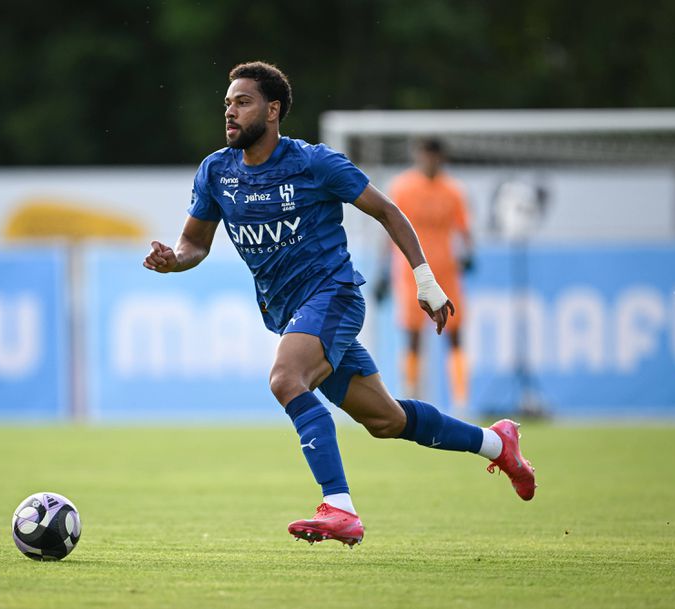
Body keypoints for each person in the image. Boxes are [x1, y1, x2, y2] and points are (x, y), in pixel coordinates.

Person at [143, 61, 535, 547]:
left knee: (286, 378)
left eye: (242, 102)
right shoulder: (216, 172)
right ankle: (498, 443)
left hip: (333, 296)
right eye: (227, 103)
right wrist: (173, 260)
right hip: (292, 312)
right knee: (385, 420)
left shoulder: (314, 163)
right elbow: (194, 244)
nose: (230, 111)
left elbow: (387, 210)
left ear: (273, 109)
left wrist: (425, 278)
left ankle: (339, 507)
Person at [385, 138, 474, 411]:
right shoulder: (402, 187)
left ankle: (461, 400)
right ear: (418, 156)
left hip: (446, 272)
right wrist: (381, 268)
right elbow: (388, 226)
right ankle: (410, 394)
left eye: (435, 156)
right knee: (412, 335)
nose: (430, 161)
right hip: (410, 273)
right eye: (426, 155)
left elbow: (464, 228)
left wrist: (469, 253)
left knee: (455, 334)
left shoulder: (453, 191)